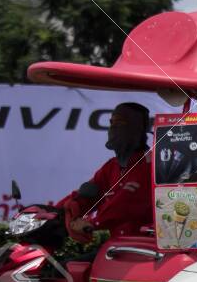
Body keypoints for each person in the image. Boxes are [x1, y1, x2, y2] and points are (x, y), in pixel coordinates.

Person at [60, 102, 153, 241]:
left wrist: (93, 223)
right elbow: (88, 192)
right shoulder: (112, 166)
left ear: (137, 128)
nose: (112, 128)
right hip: (118, 247)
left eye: (120, 122)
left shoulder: (149, 164)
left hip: (147, 247)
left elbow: (125, 203)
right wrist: (54, 211)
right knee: (69, 263)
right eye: (111, 122)